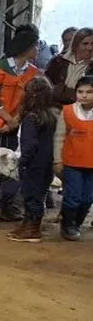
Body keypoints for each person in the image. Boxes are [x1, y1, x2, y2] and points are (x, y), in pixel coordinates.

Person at [0, 27, 40, 220]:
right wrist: (9, 119)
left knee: (9, 165)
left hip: (12, 124)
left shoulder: (32, 72)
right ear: (26, 48)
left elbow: (29, 99)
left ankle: (7, 205)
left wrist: (15, 121)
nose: (38, 49)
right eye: (35, 45)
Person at [9, 76, 56, 242]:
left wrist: (22, 162)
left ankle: (33, 228)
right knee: (38, 194)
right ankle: (28, 223)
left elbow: (29, 144)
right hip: (46, 163)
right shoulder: (50, 117)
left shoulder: (30, 119)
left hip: (33, 164)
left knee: (31, 195)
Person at [54, 74, 93, 241]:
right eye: (80, 91)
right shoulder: (67, 111)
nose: (84, 95)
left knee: (88, 198)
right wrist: (57, 160)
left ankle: (77, 223)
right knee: (73, 196)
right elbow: (59, 137)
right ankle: (67, 225)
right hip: (72, 163)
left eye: (89, 92)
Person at [46, 28, 93, 109]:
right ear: (76, 44)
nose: (89, 48)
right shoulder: (58, 61)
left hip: (80, 113)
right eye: (85, 44)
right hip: (52, 109)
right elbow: (45, 86)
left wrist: (60, 90)